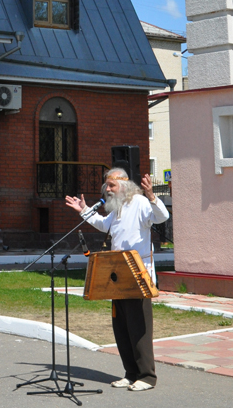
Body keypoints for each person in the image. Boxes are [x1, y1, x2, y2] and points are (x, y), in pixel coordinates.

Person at [66, 168, 169, 392]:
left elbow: (162, 217)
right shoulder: (117, 207)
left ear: (124, 184)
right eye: (106, 186)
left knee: (138, 327)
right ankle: (130, 374)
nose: (108, 189)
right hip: (118, 275)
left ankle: (147, 376)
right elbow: (104, 225)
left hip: (137, 273)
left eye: (111, 185)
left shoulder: (140, 202)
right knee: (121, 327)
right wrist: (84, 210)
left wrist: (152, 196)